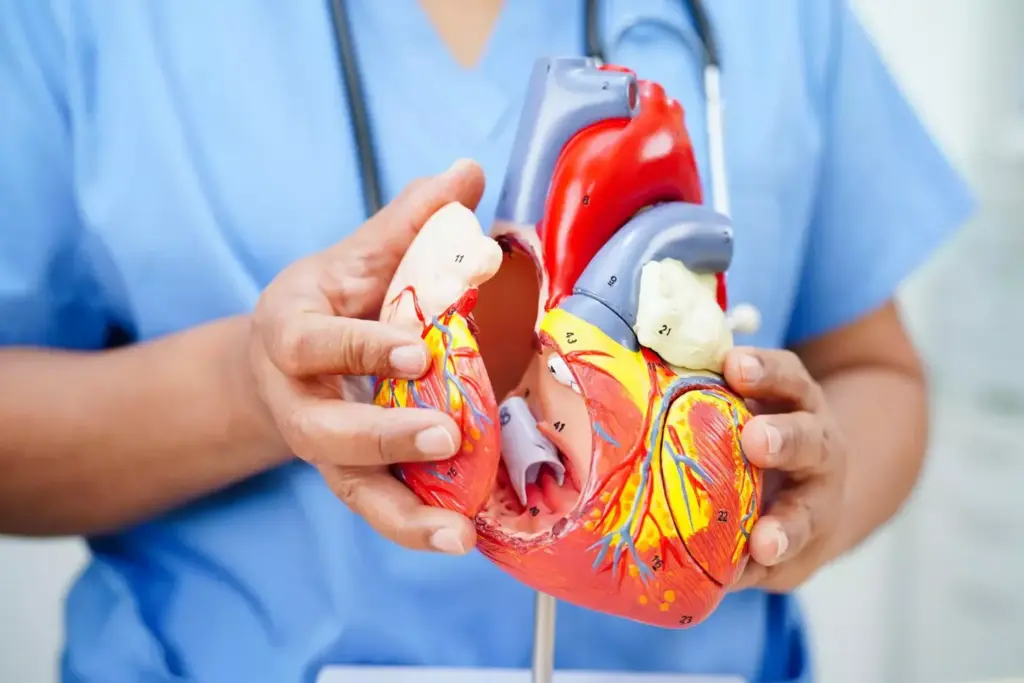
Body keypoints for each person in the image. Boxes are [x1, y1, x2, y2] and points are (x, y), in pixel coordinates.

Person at [0, 1, 973, 682]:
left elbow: (872, 370)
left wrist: (806, 505)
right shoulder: (87, 18)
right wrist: (252, 392)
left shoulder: (777, 16)